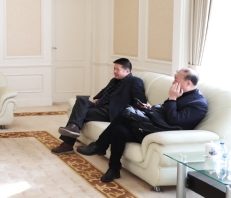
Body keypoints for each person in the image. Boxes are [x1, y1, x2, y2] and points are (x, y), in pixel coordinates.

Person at [77, 68, 208, 182]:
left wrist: (172, 98)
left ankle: (100, 145)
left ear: (188, 83)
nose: (173, 82)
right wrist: (151, 108)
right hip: (154, 123)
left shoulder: (198, 104)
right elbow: (166, 109)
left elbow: (174, 120)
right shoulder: (181, 93)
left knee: (125, 113)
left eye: (176, 79)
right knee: (119, 129)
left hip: (161, 131)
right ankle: (114, 168)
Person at [52, 58, 146, 155]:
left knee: (79, 113)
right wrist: (96, 99)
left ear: (127, 71)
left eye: (117, 69)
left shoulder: (135, 81)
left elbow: (140, 101)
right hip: (100, 105)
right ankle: (73, 128)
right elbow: (102, 92)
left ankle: (68, 142)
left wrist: (137, 107)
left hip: (111, 111)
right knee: (81, 100)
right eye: (114, 69)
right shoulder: (114, 80)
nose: (114, 71)